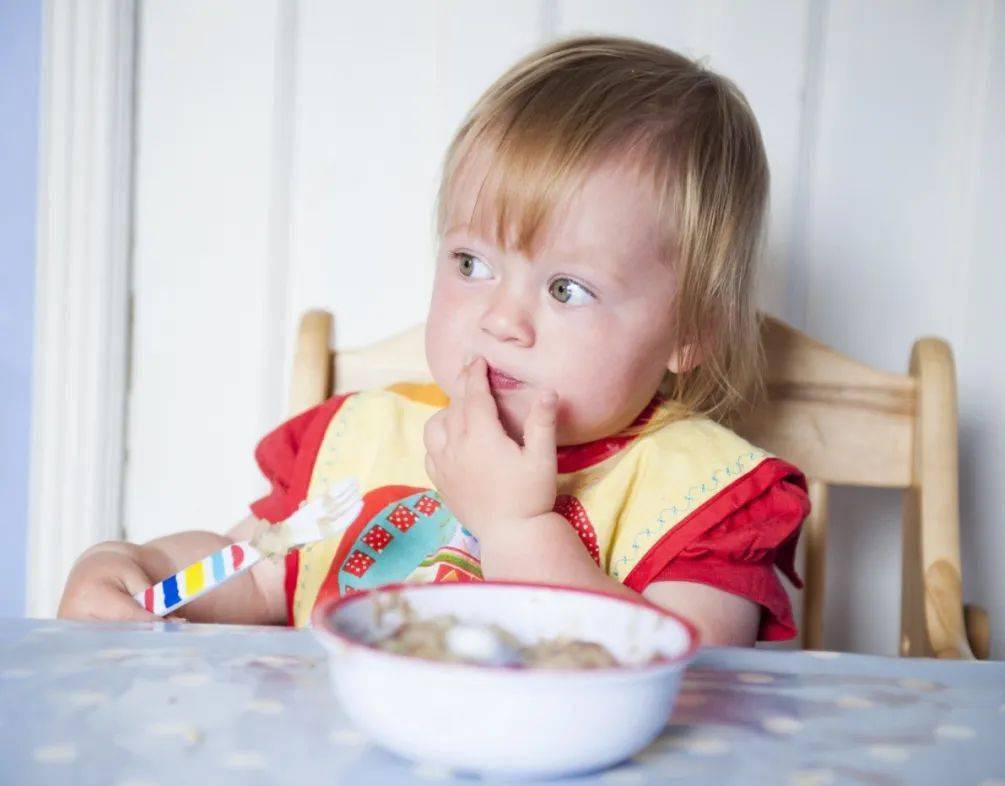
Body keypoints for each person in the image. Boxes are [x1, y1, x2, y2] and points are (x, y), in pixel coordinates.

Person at [60, 35, 809, 646]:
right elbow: (256, 573)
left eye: (565, 288)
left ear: (692, 332)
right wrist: (136, 568)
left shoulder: (704, 499)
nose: (500, 320)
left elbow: (684, 675)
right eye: (472, 264)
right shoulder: (362, 440)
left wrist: (516, 528)